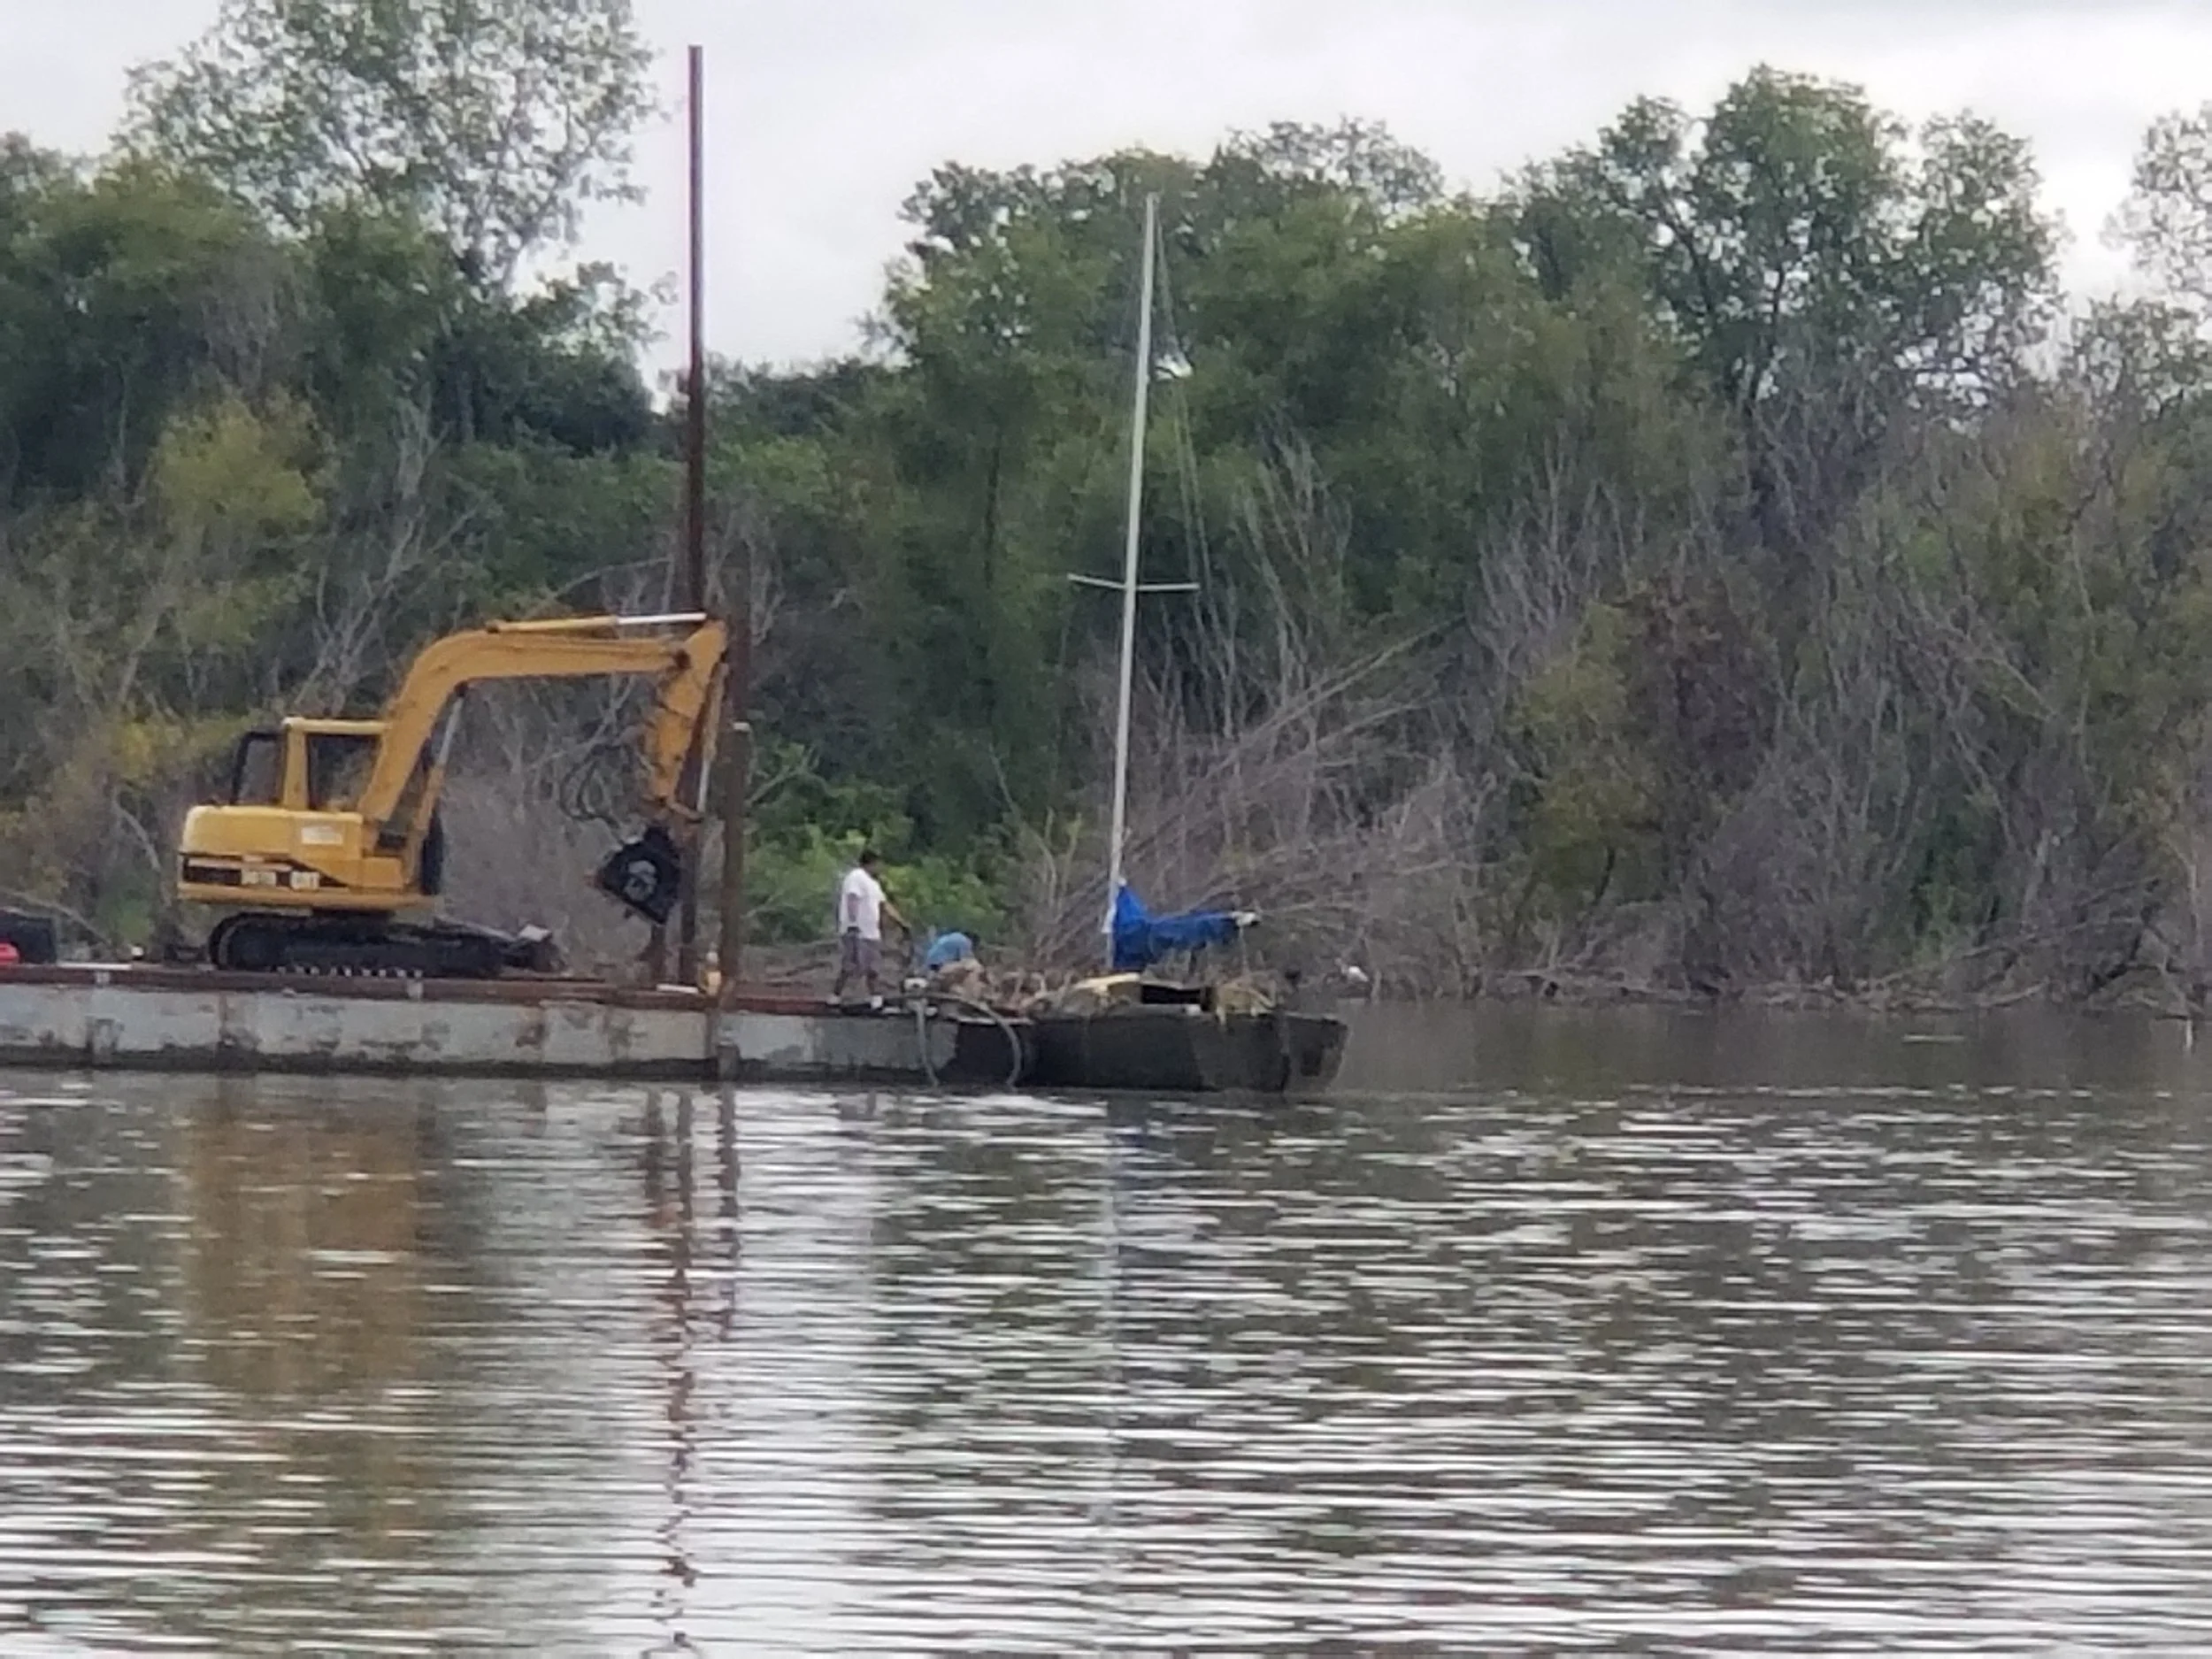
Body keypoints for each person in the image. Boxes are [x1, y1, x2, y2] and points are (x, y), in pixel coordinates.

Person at [833, 849, 907, 1007]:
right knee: (851, 965)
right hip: (857, 931)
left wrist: (901, 922)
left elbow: (884, 904)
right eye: (878, 864)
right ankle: (836, 995)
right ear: (871, 863)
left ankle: (876, 998)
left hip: (871, 933)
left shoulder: (873, 883)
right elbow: (853, 898)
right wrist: (853, 923)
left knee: (873, 967)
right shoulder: (856, 877)